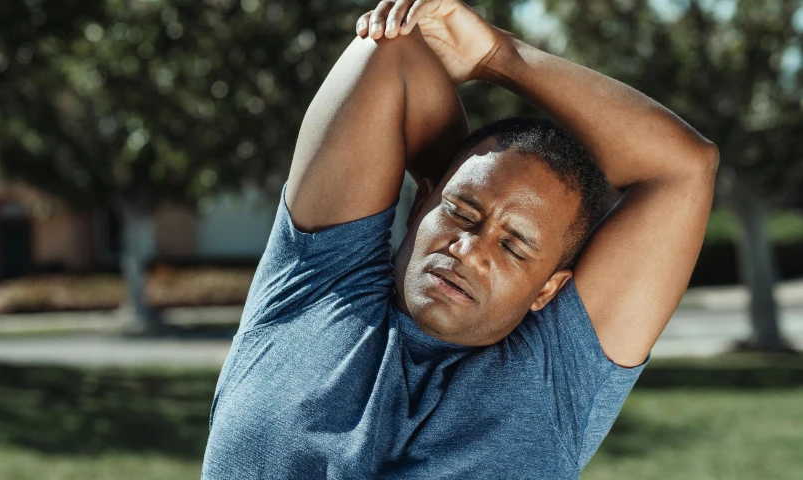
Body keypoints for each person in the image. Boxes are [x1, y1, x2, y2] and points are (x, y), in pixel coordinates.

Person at [202, 0, 718, 478]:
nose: (468, 251)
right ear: (422, 201)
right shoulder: (317, 282)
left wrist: (500, 55)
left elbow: (683, 168)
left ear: (548, 289)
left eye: (514, 247)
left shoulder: (556, 376)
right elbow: (392, 48)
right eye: (461, 212)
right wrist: (454, 169)